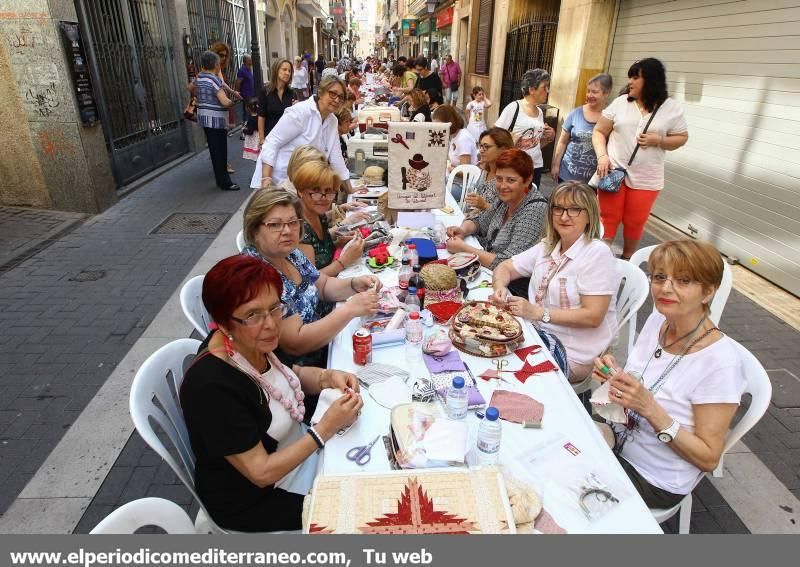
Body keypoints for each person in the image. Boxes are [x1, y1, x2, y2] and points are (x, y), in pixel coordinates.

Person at [179, 254, 364, 532]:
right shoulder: (210, 386)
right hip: (256, 499)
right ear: (223, 321)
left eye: (275, 308)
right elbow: (261, 472)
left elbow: (292, 376)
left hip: (299, 455)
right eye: (252, 314)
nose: (271, 324)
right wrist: (324, 429)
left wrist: (327, 377)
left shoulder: (252, 339)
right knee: (360, 515)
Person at [591, 239, 746, 509]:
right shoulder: (659, 321)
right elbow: (645, 384)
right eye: (660, 277)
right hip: (617, 439)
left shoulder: (720, 364)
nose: (665, 288)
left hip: (652, 477)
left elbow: (709, 459)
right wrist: (616, 377)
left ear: (708, 291)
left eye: (683, 281)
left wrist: (650, 408)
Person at [492, 181, 619, 383]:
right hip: (535, 334)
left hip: (574, 352)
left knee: (500, 365)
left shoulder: (596, 253)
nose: (564, 216)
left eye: (574, 209)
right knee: (487, 342)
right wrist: (500, 289)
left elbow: (593, 316)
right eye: (558, 208)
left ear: (589, 216)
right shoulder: (548, 246)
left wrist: (538, 313)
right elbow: (504, 268)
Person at [241, 189, 380, 367]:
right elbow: (295, 344)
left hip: (326, 345)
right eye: (275, 225)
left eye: (293, 222)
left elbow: (322, 285)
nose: (287, 231)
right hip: (302, 372)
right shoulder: (256, 276)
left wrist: (354, 284)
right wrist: (349, 310)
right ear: (254, 230)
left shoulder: (289, 253)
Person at [592, 58, 689, 260]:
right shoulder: (620, 103)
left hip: (647, 178)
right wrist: (602, 156)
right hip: (613, 171)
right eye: (630, 77)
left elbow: (681, 138)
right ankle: (599, 259)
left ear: (651, 80)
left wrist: (659, 140)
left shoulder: (672, 108)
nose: (630, 82)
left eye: (636, 77)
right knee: (608, 218)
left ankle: (628, 259)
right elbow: (599, 131)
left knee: (635, 221)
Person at [445, 149, 548, 269]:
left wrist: (463, 248)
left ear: (528, 180)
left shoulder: (535, 210)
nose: (503, 186)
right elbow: (480, 220)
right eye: (499, 179)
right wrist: (462, 230)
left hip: (512, 284)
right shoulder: (506, 198)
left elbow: (509, 263)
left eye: (511, 180)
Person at [252, 77, 351, 191]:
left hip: (303, 183)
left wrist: (351, 191)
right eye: (333, 94)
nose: (337, 100)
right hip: (278, 180)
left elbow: (336, 156)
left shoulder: (332, 120)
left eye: (341, 97)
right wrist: (266, 181)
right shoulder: (300, 112)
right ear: (321, 92)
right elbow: (271, 143)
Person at [294, 160, 364, 276]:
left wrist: (338, 243)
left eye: (328, 191)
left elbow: (320, 251)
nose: (324, 198)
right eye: (315, 191)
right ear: (300, 192)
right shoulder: (298, 227)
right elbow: (311, 280)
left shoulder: (318, 215)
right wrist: (345, 259)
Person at [495, 68, 555, 190]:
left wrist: (550, 136)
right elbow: (494, 135)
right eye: (544, 87)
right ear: (532, 89)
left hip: (536, 166)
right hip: (515, 166)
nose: (547, 91)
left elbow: (535, 144)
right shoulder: (514, 107)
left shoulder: (539, 112)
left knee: (529, 202)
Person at [551, 73, 613, 185]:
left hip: (593, 180)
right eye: (588, 91)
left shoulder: (610, 118)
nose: (589, 95)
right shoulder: (575, 113)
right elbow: (562, 141)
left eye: (594, 92)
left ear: (606, 93)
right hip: (567, 175)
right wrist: (556, 165)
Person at [195, 50, 239, 191]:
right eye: (218, 62)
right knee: (220, 151)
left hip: (205, 119)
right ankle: (225, 182)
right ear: (215, 64)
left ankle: (220, 180)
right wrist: (233, 101)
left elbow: (190, 88)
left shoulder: (200, 77)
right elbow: (224, 101)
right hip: (216, 120)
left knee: (214, 151)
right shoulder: (213, 79)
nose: (220, 65)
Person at [463, 127, 515, 215]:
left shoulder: (509, 178)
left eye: (486, 147)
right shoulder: (485, 170)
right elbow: (479, 208)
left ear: (503, 149)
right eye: (480, 146)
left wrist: (484, 205)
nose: (481, 150)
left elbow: (507, 214)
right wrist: (469, 215)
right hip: (477, 221)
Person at [433, 104, 476, 200]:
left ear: (450, 123)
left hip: (463, 187)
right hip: (454, 181)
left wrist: (449, 167)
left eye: (439, 125)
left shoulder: (463, 138)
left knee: (435, 192)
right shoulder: (454, 136)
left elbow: (466, 173)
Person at [257, 59, 296, 148]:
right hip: (270, 137)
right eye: (284, 69)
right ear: (276, 70)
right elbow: (261, 116)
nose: (287, 73)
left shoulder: (292, 93)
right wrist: (261, 139)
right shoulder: (266, 91)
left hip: (288, 139)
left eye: (289, 71)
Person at [234, 55, 255, 128]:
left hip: (251, 94)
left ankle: (249, 127)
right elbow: (238, 83)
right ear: (246, 61)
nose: (252, 60)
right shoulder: (242, 70)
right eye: (250, 59)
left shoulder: (249, 69)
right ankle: (244, 129)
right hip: (246, 95)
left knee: (250, 111)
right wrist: (238, 93)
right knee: (247, 112)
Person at [242, 97, 260, 162]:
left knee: (255, 152)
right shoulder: (260, 116)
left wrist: (244, 130)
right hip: (260, 135)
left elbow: (250, 131)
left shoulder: (251, 118)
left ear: (248, 108)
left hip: (254, 138)